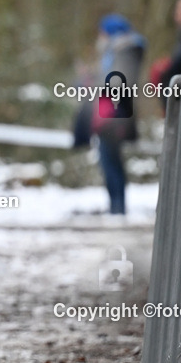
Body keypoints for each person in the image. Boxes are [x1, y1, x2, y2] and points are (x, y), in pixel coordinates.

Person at [73, 14, 145, 215]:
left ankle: (118, 207)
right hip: (112, 115)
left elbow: (117, 83)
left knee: (110, 161)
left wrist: (93, 82)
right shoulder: (116, 52)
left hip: (114, 116)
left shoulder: (124, 52)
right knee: (109, 161)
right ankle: (116, 206)